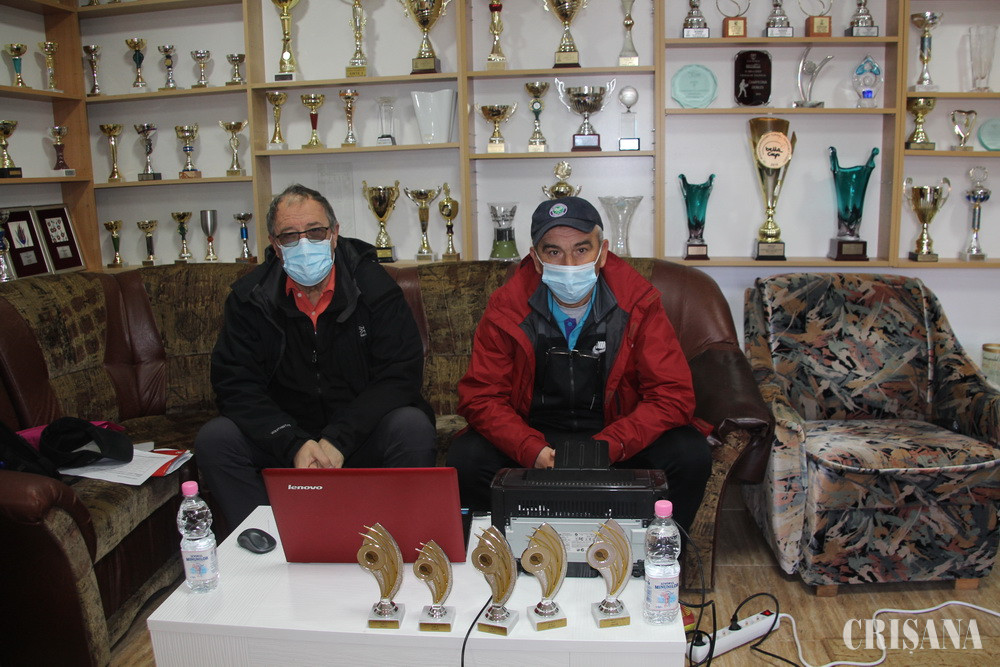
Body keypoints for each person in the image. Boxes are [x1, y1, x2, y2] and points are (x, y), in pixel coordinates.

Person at [447, 196, 712, 535]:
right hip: (536, 432)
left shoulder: (638, 303)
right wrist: (531, 449)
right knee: (467, 456)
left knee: (689, 453)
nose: (569, 264)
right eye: (554, 251)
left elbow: (673, 395)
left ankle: (659, 555)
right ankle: (497, 554)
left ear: (603, 253)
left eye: (582, 249)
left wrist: (608, 446)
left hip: (614, 431)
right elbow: (481, 397)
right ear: (536, 259)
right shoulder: (505, 308)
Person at [196, 184, 436, 530]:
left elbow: (400, 375)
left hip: (360, 435)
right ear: (275, 245)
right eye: (290, 236)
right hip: (285, 438)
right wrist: (292, 442)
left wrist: (340, 438)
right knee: (216, 439)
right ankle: (265, 543)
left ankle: (395, 541)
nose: (304, 244)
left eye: (315, 232)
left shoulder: (376, 288)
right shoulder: (250, 299)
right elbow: (235, 385)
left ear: (334, 234)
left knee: (412, 427)